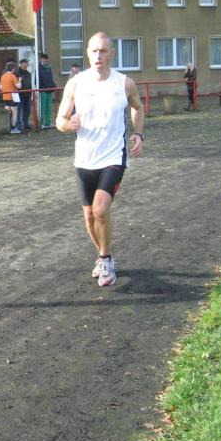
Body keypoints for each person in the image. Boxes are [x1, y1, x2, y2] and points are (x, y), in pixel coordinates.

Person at [55, 31, 145, 287]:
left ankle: (105, 259)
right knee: (89, 216)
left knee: (100, 209)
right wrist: (69, 125)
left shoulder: (124, 83)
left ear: (111, 54)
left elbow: (138, 107)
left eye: (103, 51)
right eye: (94, 51)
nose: (98, 56)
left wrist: (138, 133)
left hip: (113, 156)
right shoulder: (76, 84)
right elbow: (60, 120)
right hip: (85, 158)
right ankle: (103, 255)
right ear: (87, 53)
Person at [0, 61, 21, 134]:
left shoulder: (3, 76)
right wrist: (20, 81)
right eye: (14, 68)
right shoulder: (13, 76)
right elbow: (19, 86)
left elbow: (0, 87)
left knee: (8, 112)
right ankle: (13, 128)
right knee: (14, 112)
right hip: (13, 96)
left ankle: (7, 127)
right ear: (13, 69)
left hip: (5, 96)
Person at [37, 53, 57, 128]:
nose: (45, 61)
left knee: (49, 107)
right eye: (44, 59)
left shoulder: (48, 68)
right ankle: (41, 123)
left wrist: (53, 85)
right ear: (41, 59)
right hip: (43, 90)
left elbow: (50, 78)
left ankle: (48, 122)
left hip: (49, 90)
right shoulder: (38, 68)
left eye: (46, 60)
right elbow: (37, 80)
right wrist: (40, 89)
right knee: (43, 107)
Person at [16, 58, 33, 131]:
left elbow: (29, 83)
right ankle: (18, 125)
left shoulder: (28, 73)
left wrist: (31, 92)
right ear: (22, 64)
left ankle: (26, 124)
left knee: (27, 110)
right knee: (18, 110)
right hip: (20, 94)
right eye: (26, 63)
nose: (27, 64)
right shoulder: (17, 73)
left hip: (27, 95)